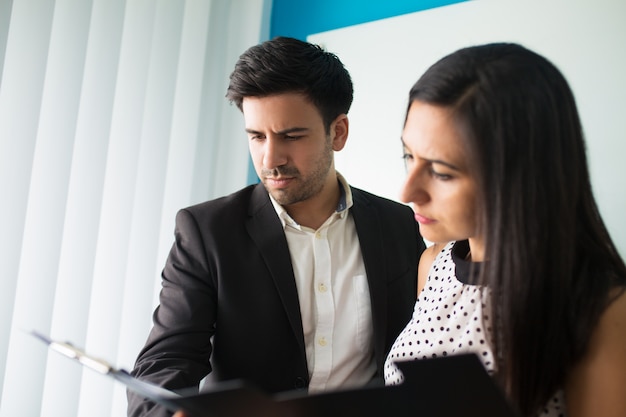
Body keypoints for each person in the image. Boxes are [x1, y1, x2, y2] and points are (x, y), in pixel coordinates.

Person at [127, 36, 426, 417]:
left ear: (338, 132)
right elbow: (166, 360)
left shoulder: (399, 225)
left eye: (291, 136)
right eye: (257, 136)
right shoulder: (207, 232)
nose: (270, 158)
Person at [384, 42, 626, 417]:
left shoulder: (601, 312)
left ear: (521, 177)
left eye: (442, 172)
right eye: (408, 156)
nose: (407, 191)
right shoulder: (433, 265)